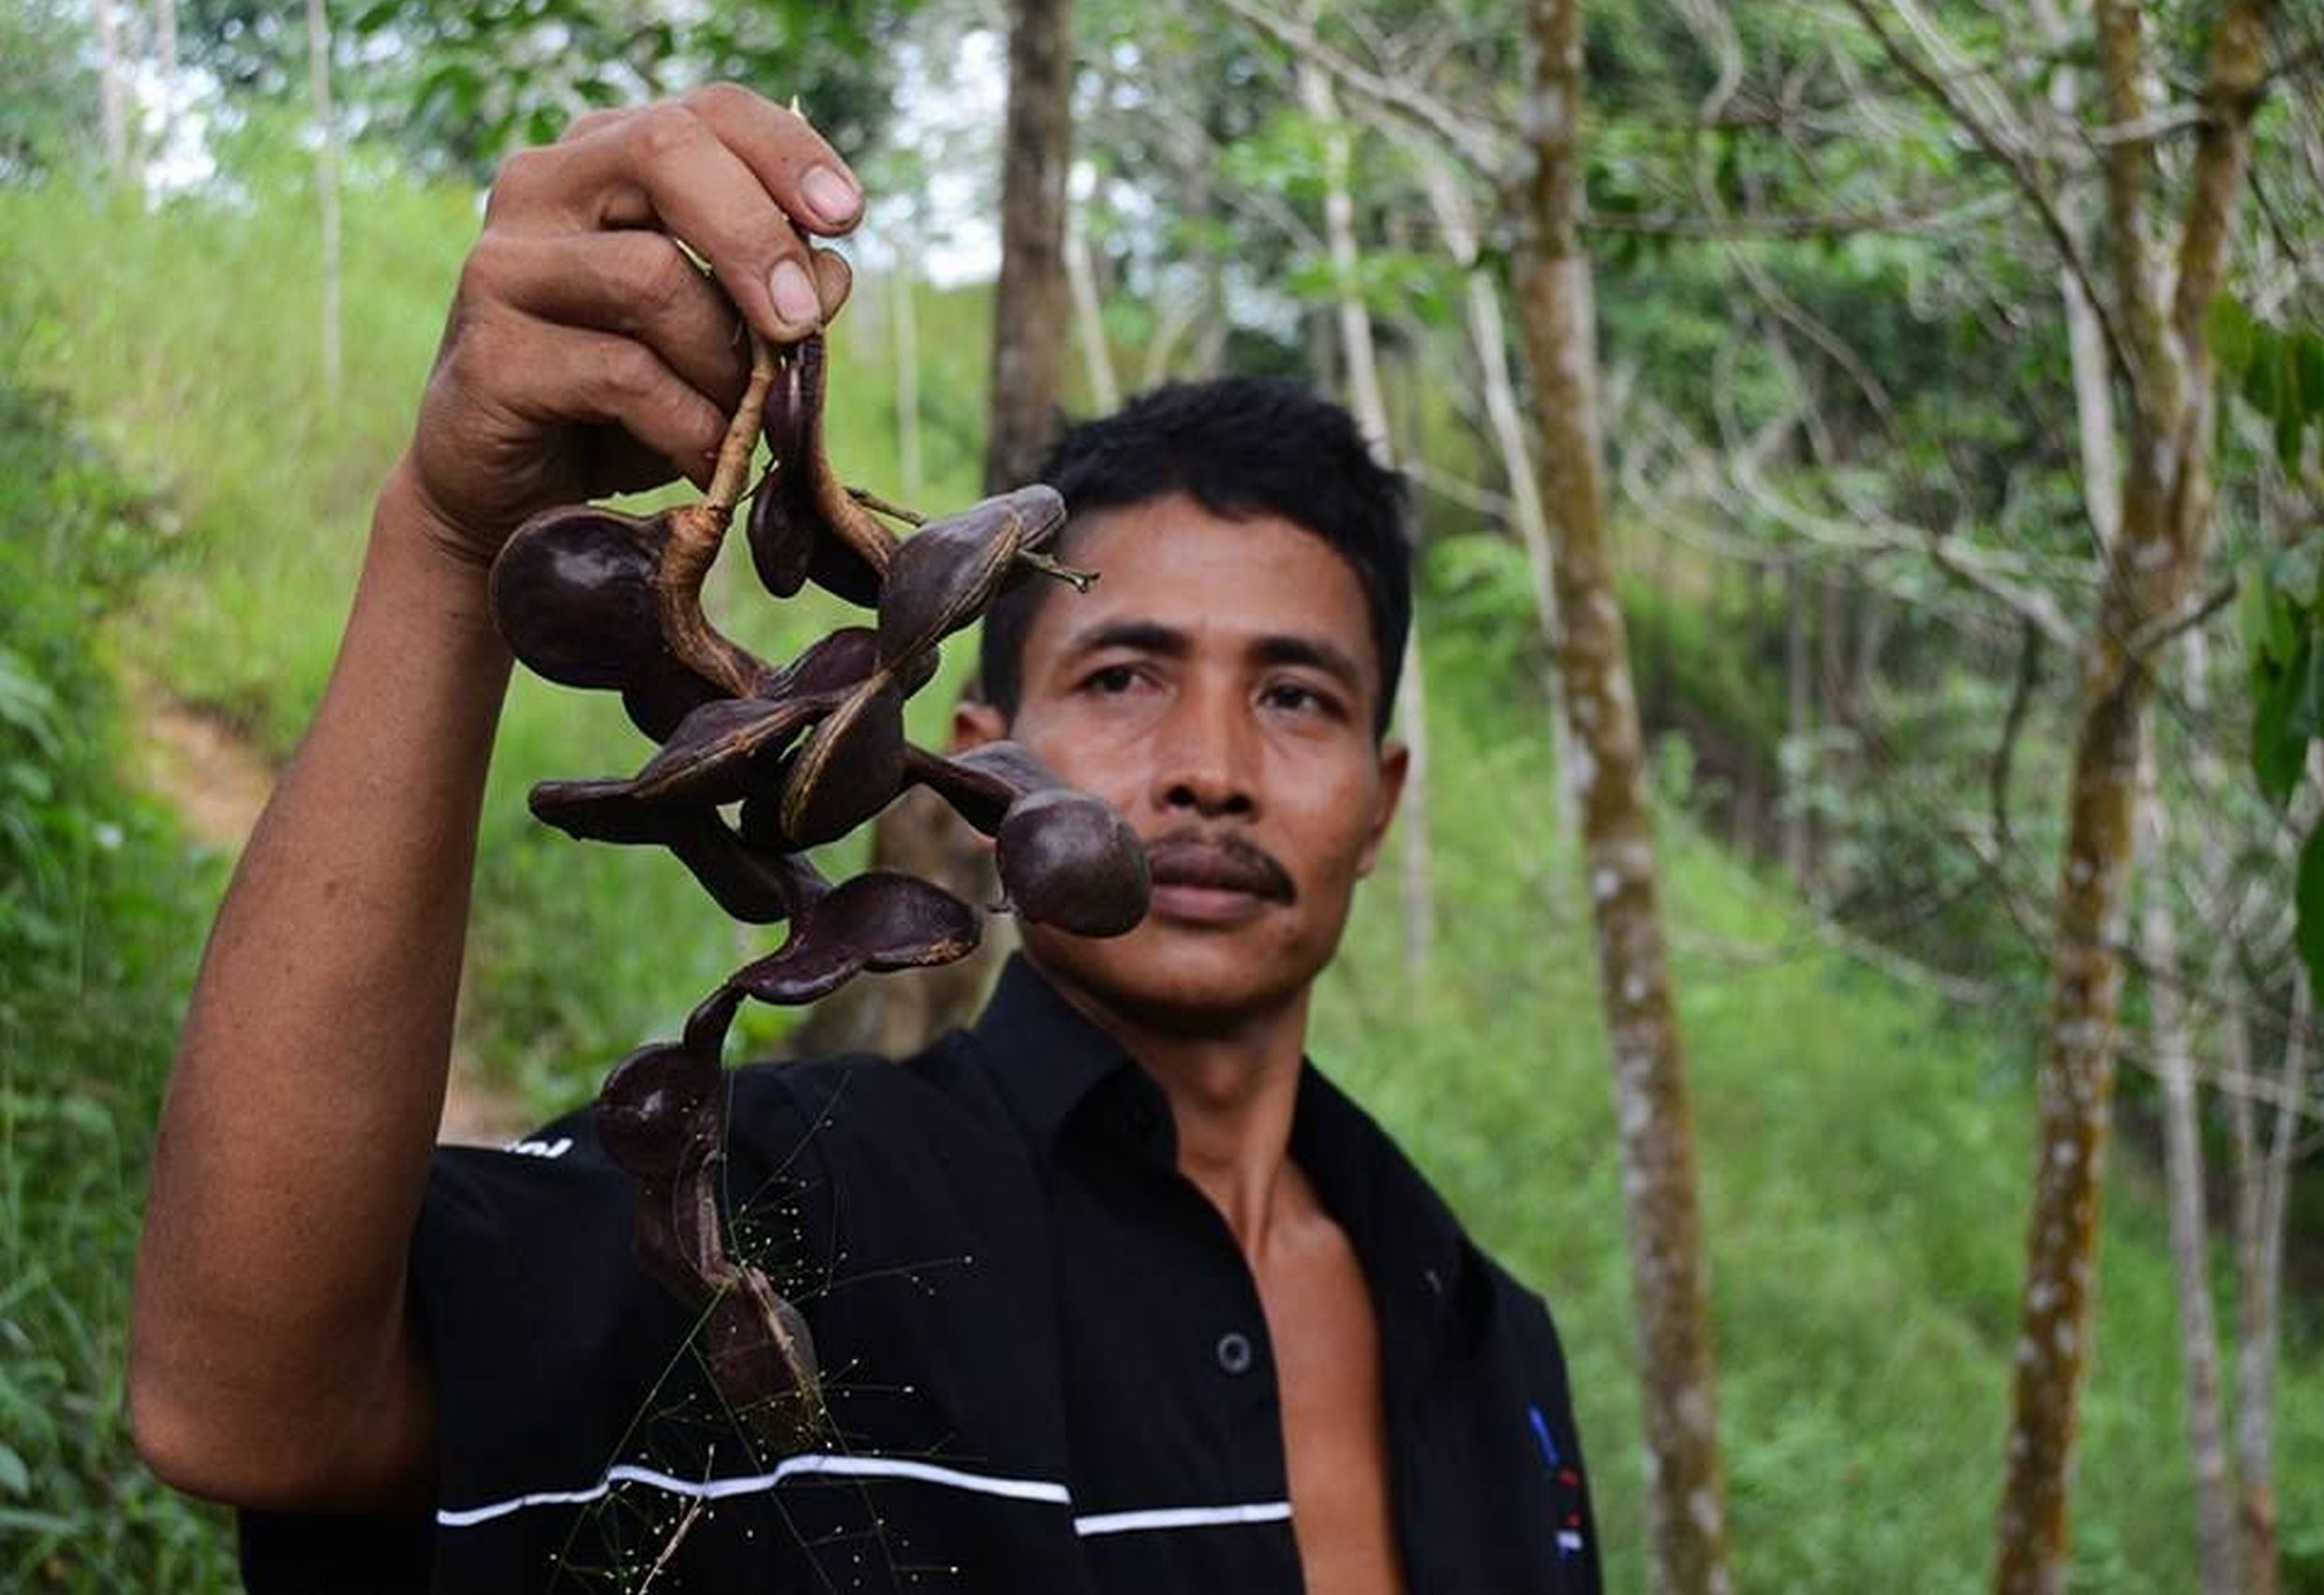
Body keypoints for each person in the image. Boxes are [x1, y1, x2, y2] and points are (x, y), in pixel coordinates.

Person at [128, 85, 1599, 1594]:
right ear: (984, 756)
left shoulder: (1498, 1349)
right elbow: (245, 1406)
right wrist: (451, 544)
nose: (1212, 771)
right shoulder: (778, 1215)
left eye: (1295, 695)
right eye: (1124, 674)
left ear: (1383, 796)